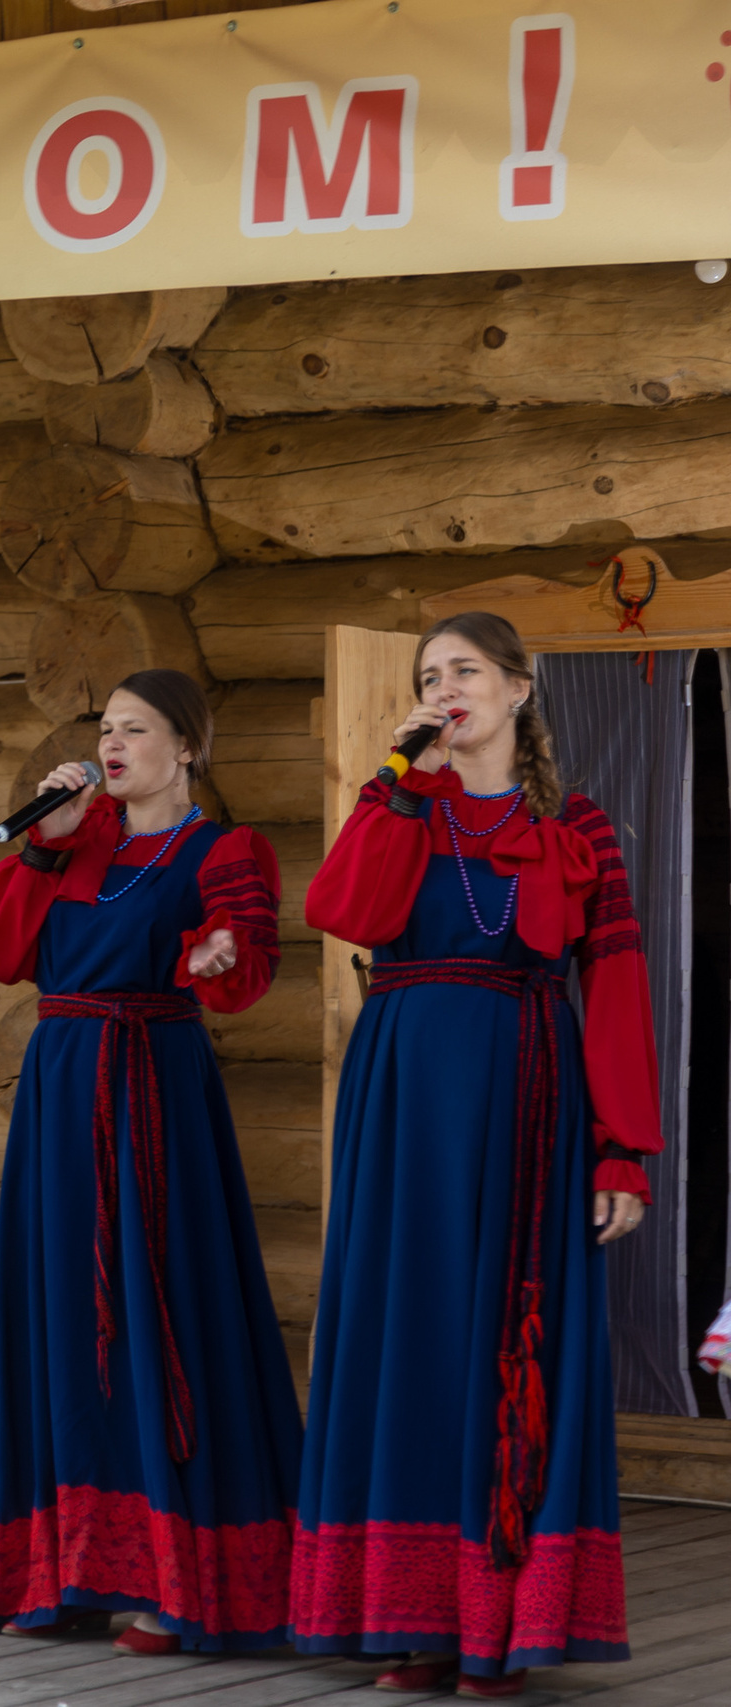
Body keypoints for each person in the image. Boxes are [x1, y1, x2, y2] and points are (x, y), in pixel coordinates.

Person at [298, 612, 657, 1699]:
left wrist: (622, 1153)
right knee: (407, 1334)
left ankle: (503, 1622)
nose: (444, 687)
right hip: (403, 1098)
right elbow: (339, 908)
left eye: (463, 671)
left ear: (516, 688)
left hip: (529, 1103)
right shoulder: (398, 803)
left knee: (507, 1339)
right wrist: (397, 783)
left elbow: (617, 998)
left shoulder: (578, 827)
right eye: (426, 675)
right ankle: (409, 1622)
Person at [0, 670, 302, 1653]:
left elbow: (246, 964)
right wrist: (41, 848)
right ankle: (66, 1573)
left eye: (134, 729)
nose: (110, 746)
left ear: (185, 747)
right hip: (61, 1091)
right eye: (103, 728)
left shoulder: (223, 849)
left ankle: (173, 1578)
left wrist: (214, 955)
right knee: (65, 1318)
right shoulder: (75, 843)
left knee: (156, 1316)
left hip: (149, 1092)